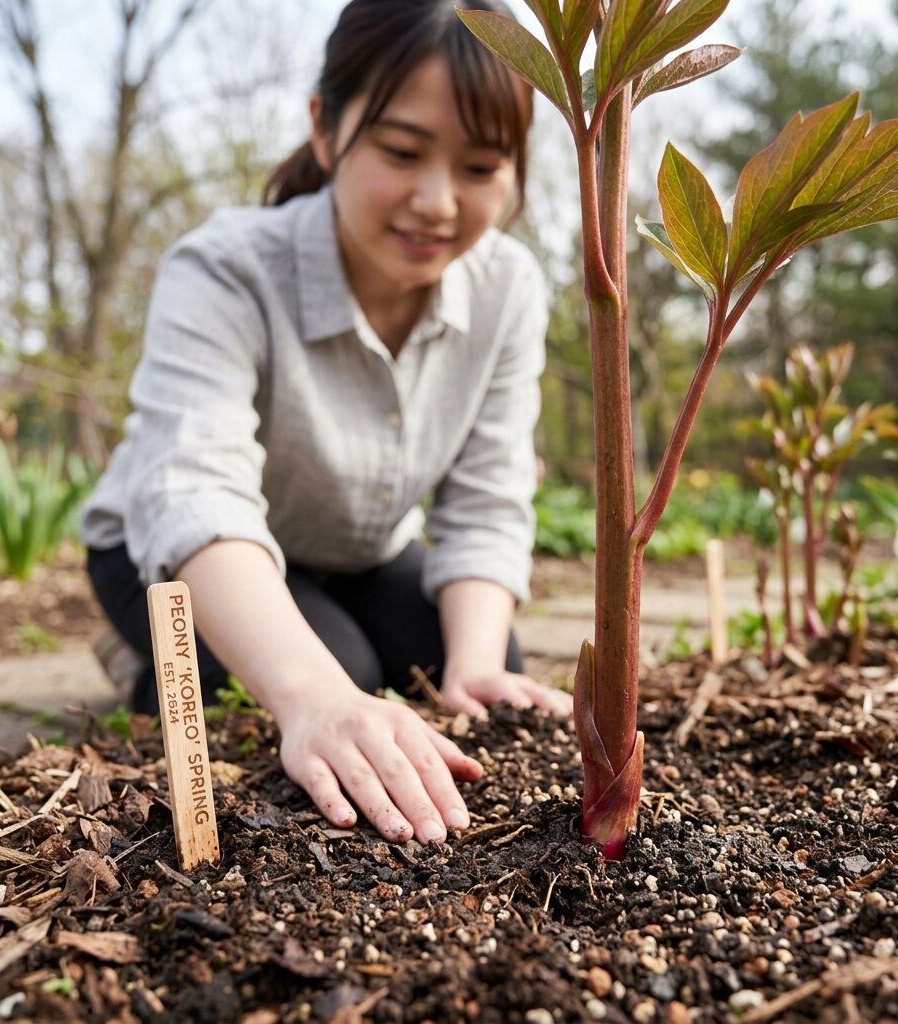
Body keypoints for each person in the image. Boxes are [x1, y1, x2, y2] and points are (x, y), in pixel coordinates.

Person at [79, 0, 571, 848]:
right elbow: (197, 493)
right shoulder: (226, 269)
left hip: (355, 549)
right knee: (338, 673)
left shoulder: (508, 288)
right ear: (325, 128)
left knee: (488, 674)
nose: (436, 202)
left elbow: (487, 498)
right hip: (170, 551)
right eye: (402, 152)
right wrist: (312, 697)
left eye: (481, 166)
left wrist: (476, 666)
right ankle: (143, 657)